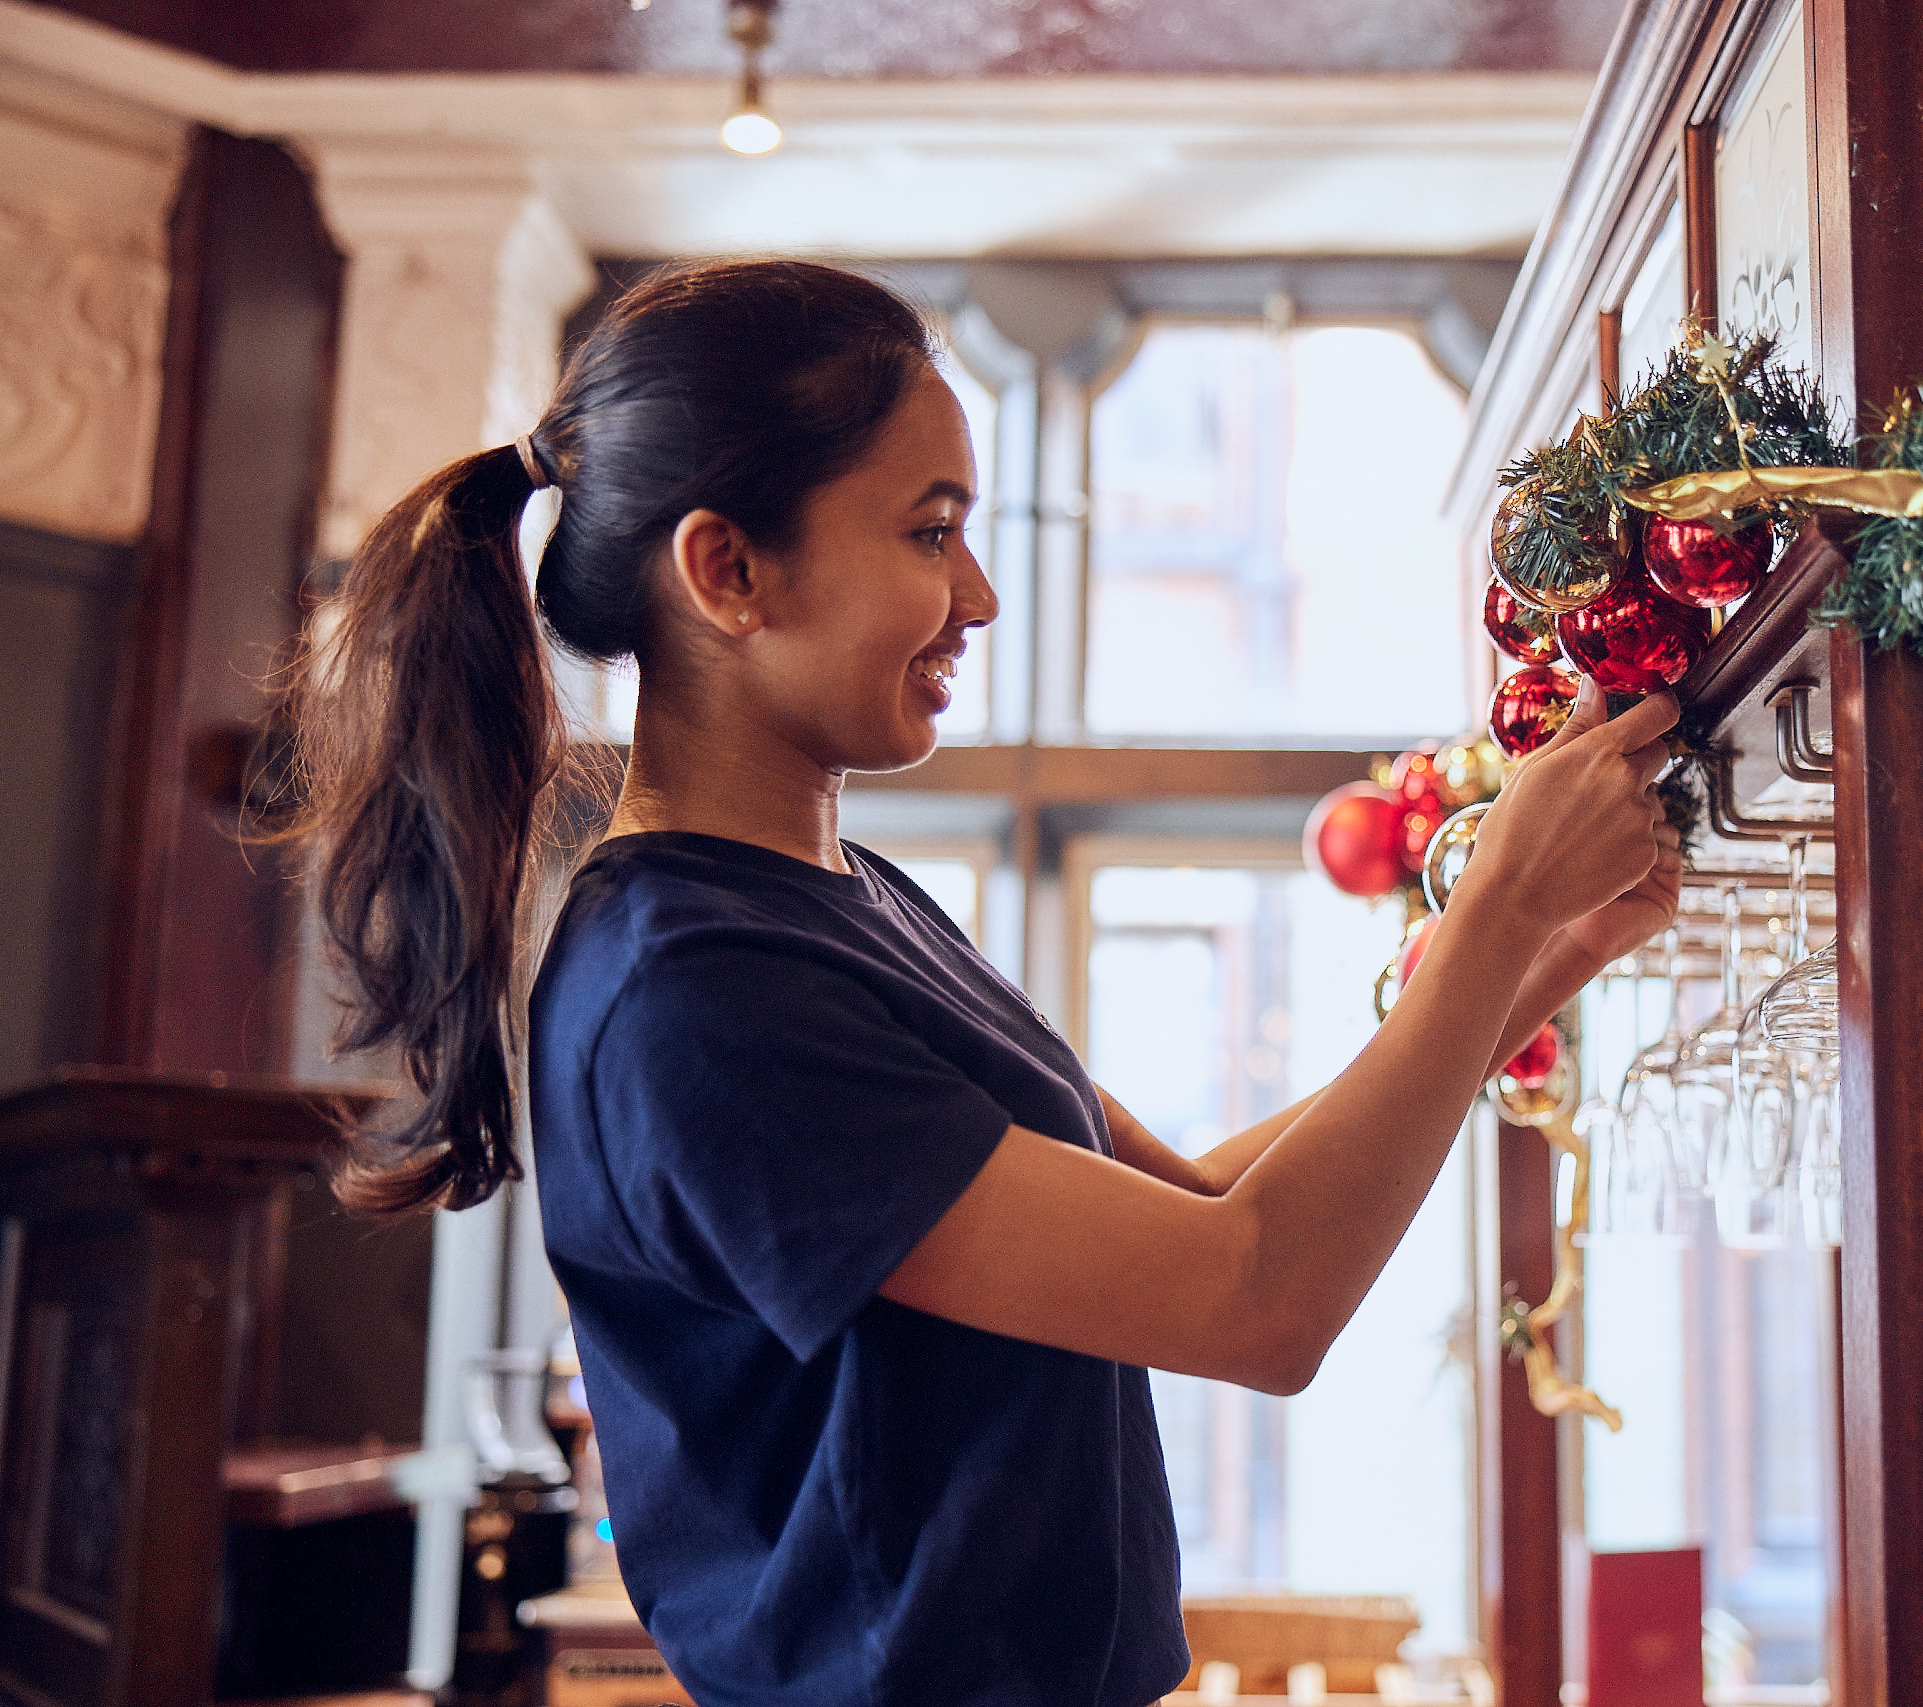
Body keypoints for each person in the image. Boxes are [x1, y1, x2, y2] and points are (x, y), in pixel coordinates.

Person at [288, 259, 1681, 1707]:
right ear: (727, 570)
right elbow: (1260, 1303)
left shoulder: (849, 900)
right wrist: (1498, 898)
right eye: (928, 531)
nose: (982, 596)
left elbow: (1203, 1213)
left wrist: (1541, 954)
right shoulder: (692, 990)